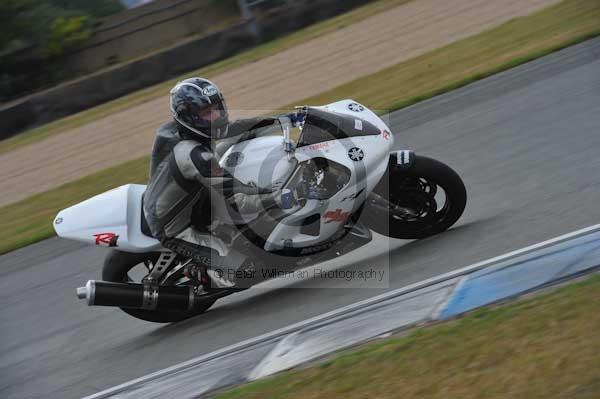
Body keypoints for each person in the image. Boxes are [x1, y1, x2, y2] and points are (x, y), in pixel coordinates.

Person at [143, 77, 295, 267]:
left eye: (216, 108)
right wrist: (279, 197)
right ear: (189, 118)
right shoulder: (193, 155)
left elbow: (235, 129)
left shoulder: (183, 129)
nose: (216, 116)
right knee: (245, 272)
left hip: (196, 197)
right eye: (207, 113)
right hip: (174, 226)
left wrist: (283, 120)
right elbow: (236, 199)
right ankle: (198, 273)